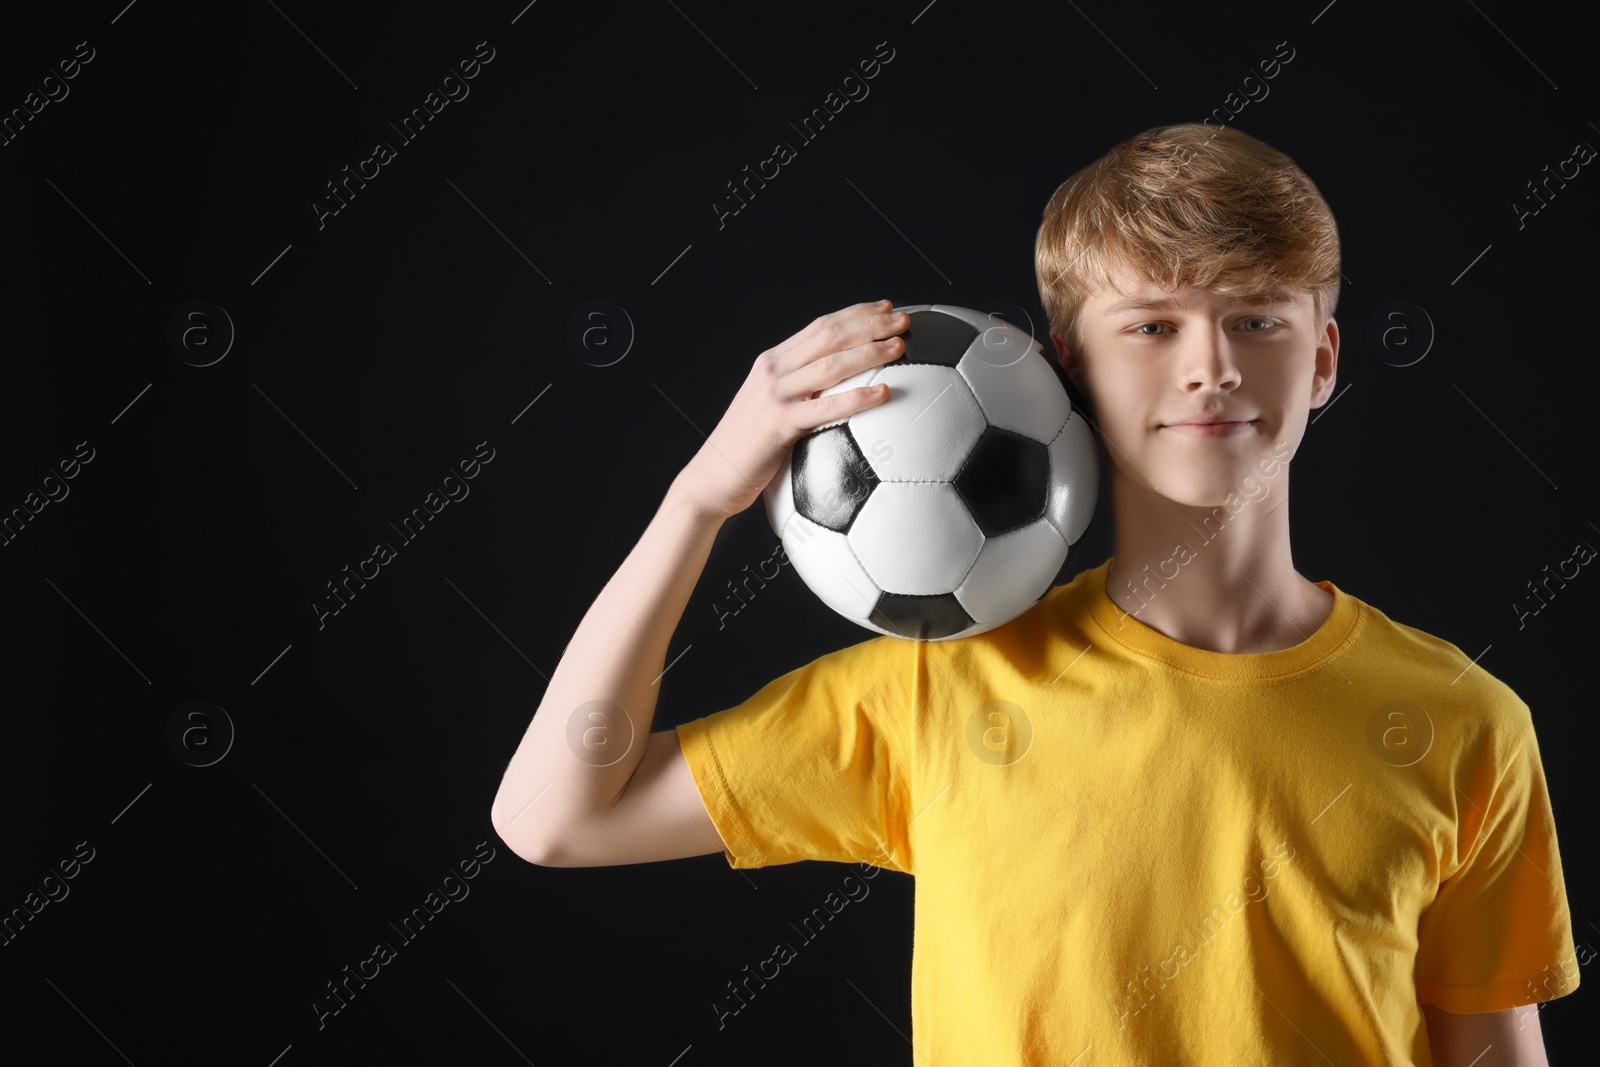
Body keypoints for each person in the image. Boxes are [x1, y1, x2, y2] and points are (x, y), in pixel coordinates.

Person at [489, 123, 1581, 1065]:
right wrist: (697, 500)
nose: (1210, 364)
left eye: (1256, 318)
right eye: (1150, 326)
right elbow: (553, 815)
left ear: (1325, 358)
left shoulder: (1461, 721)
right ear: (1069, 365)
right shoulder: (945, 687)